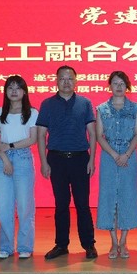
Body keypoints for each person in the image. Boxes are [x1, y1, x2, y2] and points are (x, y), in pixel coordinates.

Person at [37, 65, 98, 260]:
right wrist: (44, 162)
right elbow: (41, 135)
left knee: (82, 204)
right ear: (56, 81)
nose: (66, 82)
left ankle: (89, 244)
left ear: (76, 81)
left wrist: (92, 159)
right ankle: (61, 245)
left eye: (70, 78)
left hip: (80, 159)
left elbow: (92, 133)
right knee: (61, 204)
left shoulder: (85, 103)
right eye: (62, 78)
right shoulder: (47, 104)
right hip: (56, 159)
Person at [0, 75, 39, 260]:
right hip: (2, 159)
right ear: (5, 92)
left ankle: (25, 246)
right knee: (4, 207)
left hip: (23, 158)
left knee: (25, 206)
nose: (13, 91)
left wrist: (10, 146)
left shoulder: (32, 113)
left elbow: (32, 139)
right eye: (10, 88)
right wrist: (5, 159)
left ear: (24, 92)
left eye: (17, 88)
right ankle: (6, 247)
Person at [96, 70, 137, 259]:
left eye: (122, 83)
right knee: (109, 198)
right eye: (115, 83)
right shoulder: (102, 109)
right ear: (110, 86)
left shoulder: (135, 108)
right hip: (109, 157)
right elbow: (99, 136)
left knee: (127, 197)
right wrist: (115, 155)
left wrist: (126, 154)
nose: (119, 87)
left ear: (127, 86)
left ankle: (124, 241)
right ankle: (113, 242)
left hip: (129, 157)